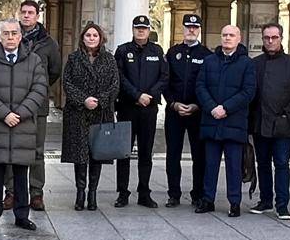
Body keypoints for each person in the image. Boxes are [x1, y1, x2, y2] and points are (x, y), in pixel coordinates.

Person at [0, 18, 47, 230]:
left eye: (14, 33)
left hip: (23, 125)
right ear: (0, 36)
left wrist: (18, 113)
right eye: (6, 33)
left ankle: (22, 215)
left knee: (21, 173)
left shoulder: (33, 60)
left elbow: (39, 89)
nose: (10, 37)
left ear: (20, 36)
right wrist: (4, 114)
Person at [249, 21, 290, 220]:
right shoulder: (255, 64)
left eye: (274, 37)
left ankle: (282, 205)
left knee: (282, 164)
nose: (271, 41)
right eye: (267, 38)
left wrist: (288, 114)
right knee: (262, 163)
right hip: (260, 123)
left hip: (282, 124)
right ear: (262, 39)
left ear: (281, 38)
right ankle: (265, 200)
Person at [196, 24, 255, 217]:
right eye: (224, 35)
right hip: (211, 119)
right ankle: (207, 200)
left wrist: (226, 108)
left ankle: (235, 202)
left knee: (234, 166)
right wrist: (212, 107)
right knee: (210, 164)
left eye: (231, 35)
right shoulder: (209, 61)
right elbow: (200, 86)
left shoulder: (247, 63)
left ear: (239, 38)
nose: (227, 38)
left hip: (234, 121)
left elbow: (248, 92)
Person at [62, 22, 119, 211]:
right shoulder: (73, 58)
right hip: (78, 113)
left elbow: (114, 85)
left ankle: (93, 193)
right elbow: (67, 83)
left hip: (100, 113)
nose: (92, 38)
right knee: (80, 156)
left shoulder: (109, 60)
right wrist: (84, 99)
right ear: (83, 38)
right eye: (88, 35)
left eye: (95, 35)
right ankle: (80, 192)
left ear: (100, 38)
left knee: (97, 153)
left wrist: (100, 100)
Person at [114, 14, 166, 207]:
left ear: (149, 29)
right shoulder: (122, 51)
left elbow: (164, 76)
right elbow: (119, 77)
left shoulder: (157, 51)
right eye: (138, 28)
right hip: (127, 108)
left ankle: (144, 192)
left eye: (144, 28)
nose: (141, 31)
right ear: (133, 29)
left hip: (149, 109)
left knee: (146, 152)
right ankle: (123, 193)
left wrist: (149, 95)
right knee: (123, 153)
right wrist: (137, 95)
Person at [16, 0, 60, 211]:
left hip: (38, 105)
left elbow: (55, 71)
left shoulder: (48, 43)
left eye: (30, 12)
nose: (26, 16)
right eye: (23, 12)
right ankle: (12, 192)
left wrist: (39, 89)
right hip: (12, 103)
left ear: (37, 15)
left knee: (37, 150)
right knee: (11, 149)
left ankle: (36, 193)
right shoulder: (10, 37)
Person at [163, 14, 210, 209]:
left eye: (195, 27)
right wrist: (173, 103)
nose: (191, 30)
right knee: (173, 154)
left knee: (199, 155)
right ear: (183, 28)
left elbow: (208, 84)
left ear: (199, 29)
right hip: (174, 111)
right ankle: (173, 194)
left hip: (197, 112)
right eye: (188, 27)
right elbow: (165, 81)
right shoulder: (173, 53)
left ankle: (197, 193)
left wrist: (197, 105)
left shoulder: (206, 55)